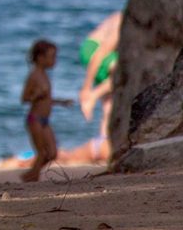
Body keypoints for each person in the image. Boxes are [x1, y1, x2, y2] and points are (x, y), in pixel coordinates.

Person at [20, 39, 71, 182]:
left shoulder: (45, 75)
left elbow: (46, 99)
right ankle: (31, 179)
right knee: (42, 153)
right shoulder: (34, 75)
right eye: (52, 57)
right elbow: (24, 98)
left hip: (45, 120)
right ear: (40, 58)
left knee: (53, 153)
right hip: (34, 119)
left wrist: (61, 102)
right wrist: (36, 95)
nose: (55, 60)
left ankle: (29, 175)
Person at [78, 10, 121, 161]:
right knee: (122, 72)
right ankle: (92, 96)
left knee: (110, 101)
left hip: (101, 55)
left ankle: (104, 140)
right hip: (92, 50)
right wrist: (86, 88)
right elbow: (99, 55)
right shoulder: (121, 22)